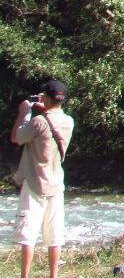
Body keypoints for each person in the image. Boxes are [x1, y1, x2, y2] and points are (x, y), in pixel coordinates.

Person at [10, 81, 73, 278]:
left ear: (45, 97)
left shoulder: (38, 122)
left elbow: (17, 137)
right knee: (54, 234)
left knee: (28, 234)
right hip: (56, 182)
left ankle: (25, 276)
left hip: (35, 180)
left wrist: (24, 113)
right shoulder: (69, 121)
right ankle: (53, 275)